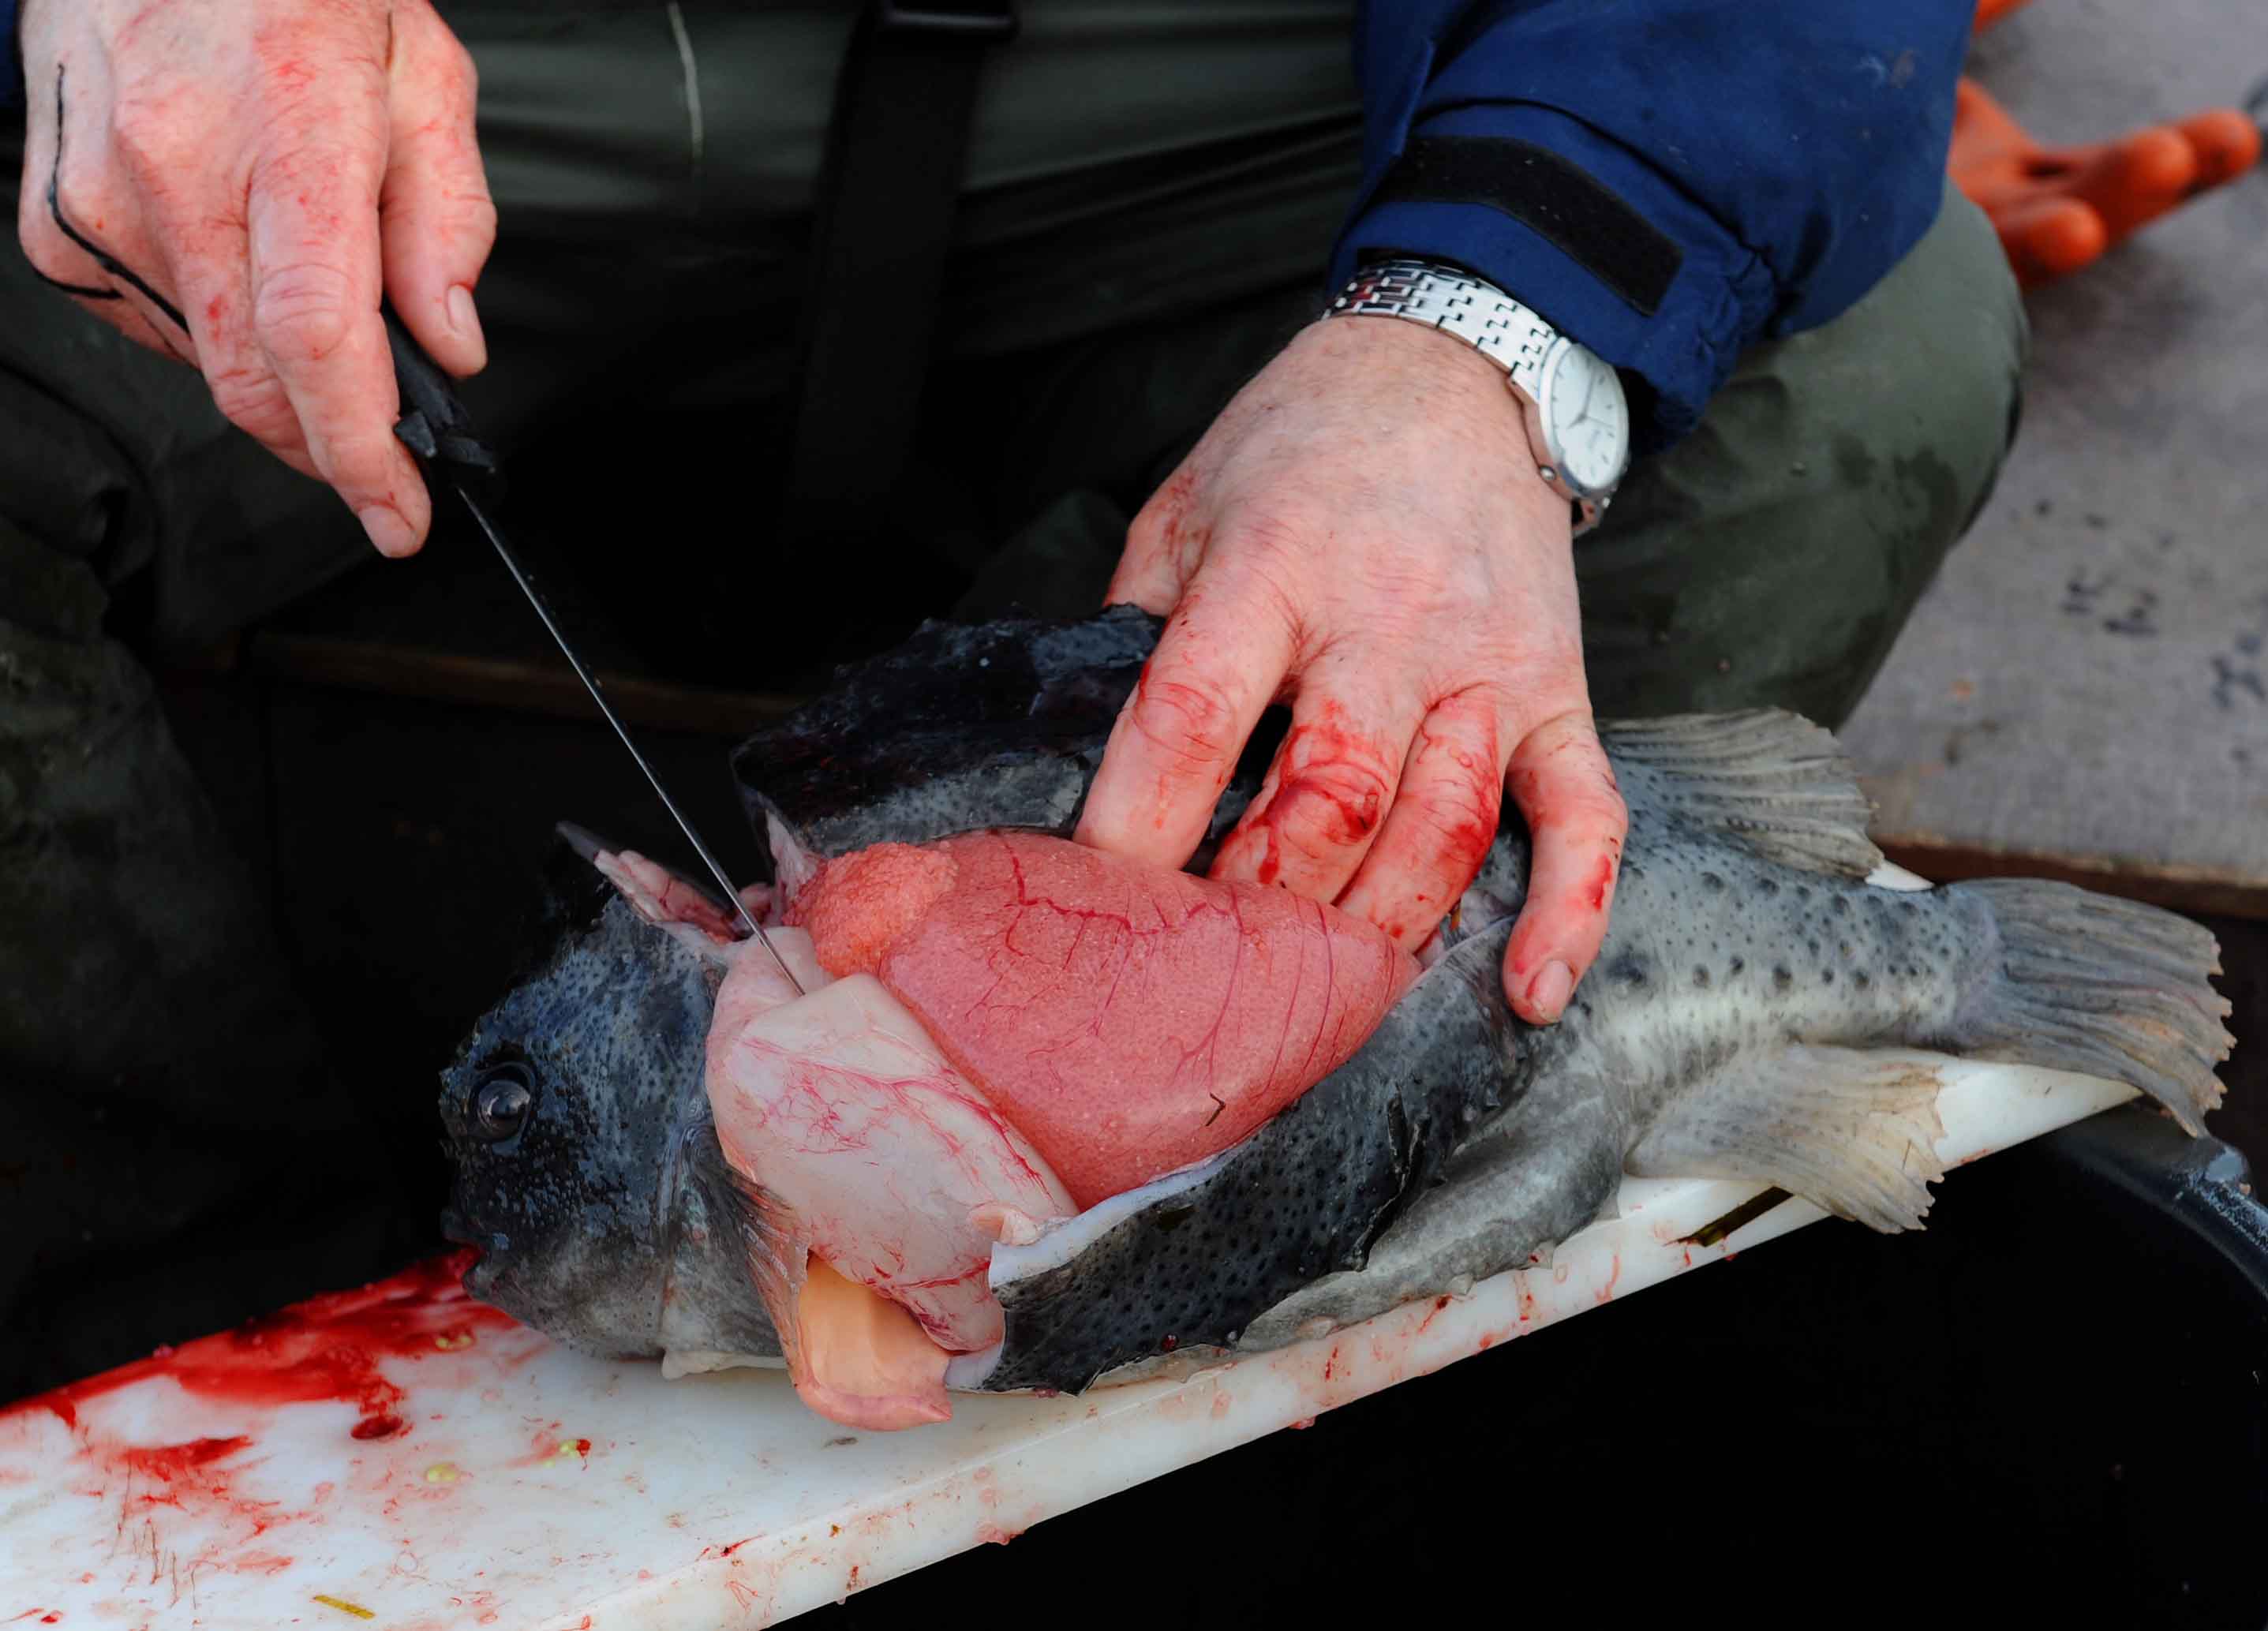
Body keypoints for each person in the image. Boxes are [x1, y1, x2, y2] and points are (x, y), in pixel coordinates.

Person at [0, 0, 2022, 1390]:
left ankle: (1244, 1253)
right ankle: (208, 1349)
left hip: (1223, 87)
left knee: (1862, 369)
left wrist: (1497, 325)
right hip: (416, 65)